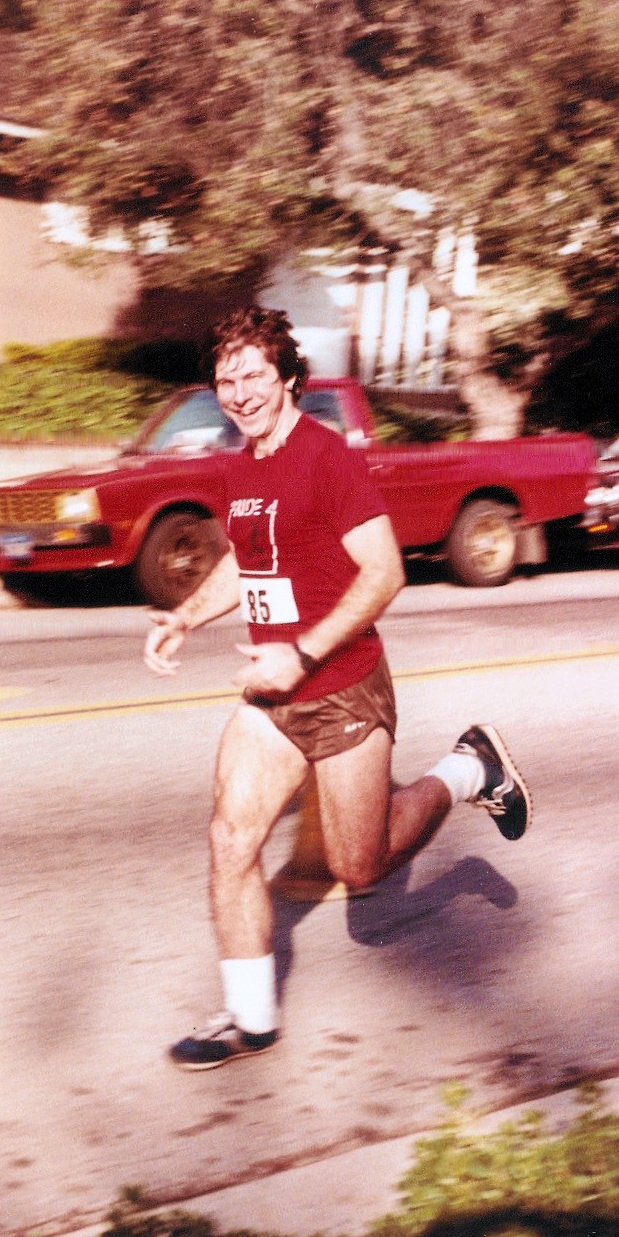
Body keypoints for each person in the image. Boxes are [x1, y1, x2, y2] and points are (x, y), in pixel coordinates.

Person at [143, 305, 531, 1070]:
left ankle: (469, 768)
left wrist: (305, 652)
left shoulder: (327, 458)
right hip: (272, 696)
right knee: (230, 840)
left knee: (362, 867)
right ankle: (249, 1019)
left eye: (254, 374)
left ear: (288, 378)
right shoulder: (239, 465)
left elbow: (384, 573)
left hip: (345, 687)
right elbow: (244, 562)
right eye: (226, 379)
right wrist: (184, 616)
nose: (240, 391)